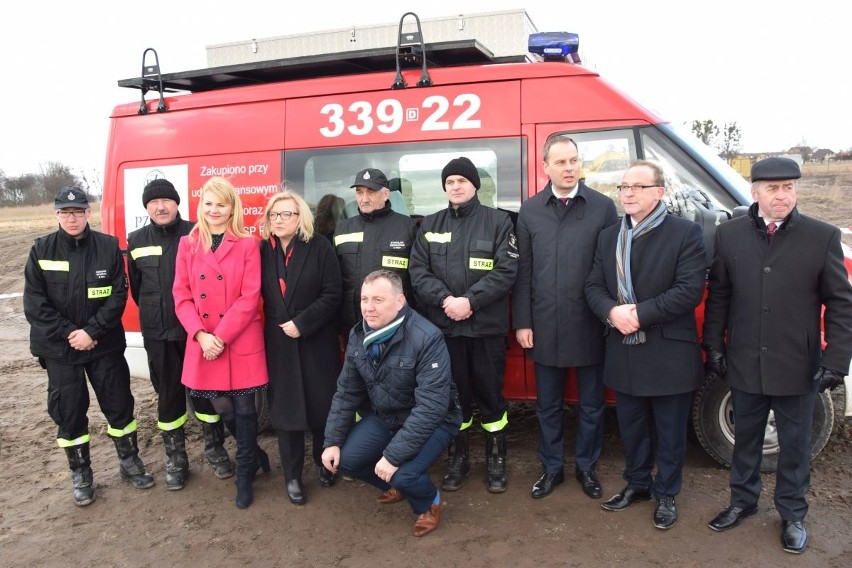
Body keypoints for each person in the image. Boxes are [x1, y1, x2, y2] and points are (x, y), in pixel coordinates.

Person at [702, 156, 852, 554]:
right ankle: (742, 502)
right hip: (745, 360)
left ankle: (793, 513)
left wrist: (836, 360)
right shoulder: (730, 235)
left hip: (797, 365)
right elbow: (719, 295)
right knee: (746, 440)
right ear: (755, 192)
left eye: (788, 187)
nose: (781, 195)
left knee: (795, 444)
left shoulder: (821, 237)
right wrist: (714, 344)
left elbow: (841, 303)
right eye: (772, 188)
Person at [585, 160, 706, 529]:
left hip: (668, 350)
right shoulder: (609, 236)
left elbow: (689, 290)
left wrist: (638, 314)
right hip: (623, 349)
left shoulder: (685, 233)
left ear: (659, 192)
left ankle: (666, 493)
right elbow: (593, 286)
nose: (628, 194)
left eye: (637, 187)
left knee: (669, 431)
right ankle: (637, 484)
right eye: (623, 187)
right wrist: (611, 312)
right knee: (632, 427)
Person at [24, 186, 155, 506]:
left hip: (104, 343)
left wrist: (92, 331)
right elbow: (35, 305)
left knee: (119, 404)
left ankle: (129, 462)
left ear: (88, 213)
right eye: (65, 213)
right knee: (69, 412)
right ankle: (81, 473)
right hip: (60, 348)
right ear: (56, 215)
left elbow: (117, 296)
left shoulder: (108, 247)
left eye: (78, 212)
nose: (72, 218)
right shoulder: (41, 250)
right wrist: (73, 333)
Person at [513, 134, 618, 500]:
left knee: (591, 406)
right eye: (560, 162)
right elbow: (523, 271)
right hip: (544, 327)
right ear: (545, 167)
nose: (569, 167)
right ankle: (551, 468)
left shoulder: (603, 208)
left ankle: (587, 468)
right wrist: (523, 322)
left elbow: (612, 268)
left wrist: (608, 316)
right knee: (548, 406)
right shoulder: (530, 211)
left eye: (573, 160)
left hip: (590, 324)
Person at [321, 270, 462, 537]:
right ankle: (396, 485)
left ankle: (429, 502)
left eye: (378, 299)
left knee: (403, 474)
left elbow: (431, 407)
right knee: (348, 461)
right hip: (387, 415)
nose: (369, 307)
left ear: (399, 302)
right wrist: (332, 441)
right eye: (364, 299)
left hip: (436, 419)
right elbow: (346, 392)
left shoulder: (427, 337)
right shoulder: (358, 336)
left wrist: (392, 457)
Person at [409, 156, 519, 493]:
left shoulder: (499, 223)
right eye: (450, 182)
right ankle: (458, 458)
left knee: (491, 398)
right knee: (453, 396)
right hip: (444, 330)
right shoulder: (430, 225)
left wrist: (470, 300)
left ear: (475, 185)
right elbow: (417, 272)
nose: (455, 187)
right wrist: (446, 300)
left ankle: (496, 460)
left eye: (462, 181)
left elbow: (506, 271)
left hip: (485, 328)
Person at [127, 178, 233, 490]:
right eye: (153, 202)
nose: (160, 206)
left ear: (177, 203)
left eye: (167, 200)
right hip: (159, 334)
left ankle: (215, 450)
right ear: (146, 207)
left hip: (197, 333)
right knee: (169, 399)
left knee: (206, 395)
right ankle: (176, 458)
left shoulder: (197, 233)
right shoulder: (135, 240)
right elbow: (136, 289)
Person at [172, 176, 270, 509]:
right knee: (220, 406)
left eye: (222, 204)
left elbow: (250, 296)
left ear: (232, 208)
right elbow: (181, 294)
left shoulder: (246, 243)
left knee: (244, 409)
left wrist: (220, 336)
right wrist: (200, 335)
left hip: (238, 337)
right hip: (203, 340)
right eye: (209, 203)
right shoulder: (188, 243)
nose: (215, 210)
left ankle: (244, 476)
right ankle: (255, 454)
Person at [259, 190, 343, 505]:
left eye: (287, 214)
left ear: (300, 218)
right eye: (274, 215)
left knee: (322, 406)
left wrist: (303, 323)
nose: (279, 220)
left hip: (315, 340)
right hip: (278, 343)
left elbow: (332, 293)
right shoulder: (261, 251)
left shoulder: (319, 247)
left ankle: (326, 462)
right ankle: (292, 476)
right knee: (286, 412)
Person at [333, 168, 419, 332]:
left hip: (397, 323)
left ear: (386, 194)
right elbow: (334, 280)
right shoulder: (343, 229)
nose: (364, 198)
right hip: (353, 325)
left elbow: (416, 278)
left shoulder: (408, 227)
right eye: (359, 192)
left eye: (371, 191)